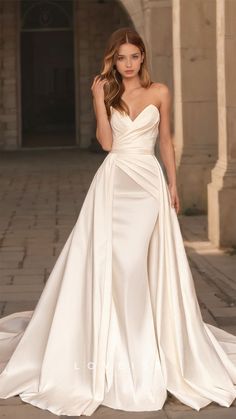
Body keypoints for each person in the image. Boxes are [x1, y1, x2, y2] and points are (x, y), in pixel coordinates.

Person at [0, 26, 236, 417]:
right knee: (118, 266)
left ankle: (145, 347)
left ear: (142, 57)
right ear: (113, 59)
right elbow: (107, 144)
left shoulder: (160, 91)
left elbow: (165, 140)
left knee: (134, 265)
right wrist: (96, 99)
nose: (128, 64)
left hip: (148, 186)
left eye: (134, 56)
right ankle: (120, 347)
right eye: (121, 57)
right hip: (113, 185)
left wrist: (173, 184)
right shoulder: (108, 92)